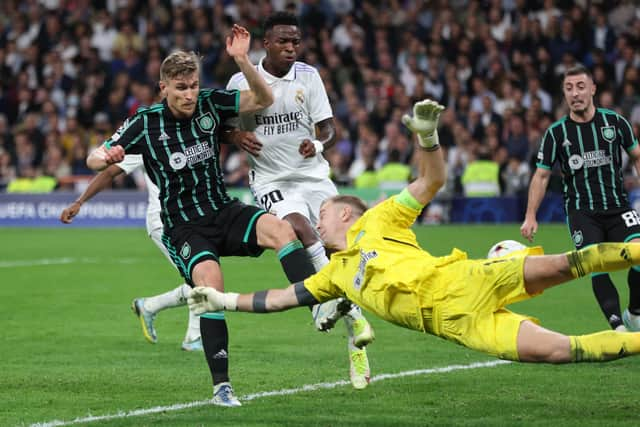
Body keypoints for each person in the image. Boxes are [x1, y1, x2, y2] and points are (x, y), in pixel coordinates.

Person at [189, 99, 640, 366]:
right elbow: (279, 299)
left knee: (569, 264)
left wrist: (428, 139)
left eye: (323, 211)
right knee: (566, 352)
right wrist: (224, 301)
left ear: (346, 215)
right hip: (461, 326)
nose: (316, 219)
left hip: (468, 279)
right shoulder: (335, 275)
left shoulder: (379, 220)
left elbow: (430, 183)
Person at [86, 26, 318, 407]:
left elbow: (263, 98)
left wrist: (242, 60)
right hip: (184, 227)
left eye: (193, 85)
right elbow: (95, 157)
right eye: (181, 88)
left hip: (222, 209)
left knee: (280, 228)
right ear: (164, 88)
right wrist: (104, 156)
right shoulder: (146, 122)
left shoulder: (211, 103)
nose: (190, 94)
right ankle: (221, 387)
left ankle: (317, 304)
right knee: (211, 287)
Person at [224, 12, 373, 389]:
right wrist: (237, 138)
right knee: (300, 228)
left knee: (342, 248)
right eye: (284, 42)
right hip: (272, 179)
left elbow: (329, 127)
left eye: (296, 42)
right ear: (267, 44)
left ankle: (353, 342)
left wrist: (319, 143)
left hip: (313, 175)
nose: (291, 48)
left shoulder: (309, 76)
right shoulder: (241, 81)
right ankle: (346, 311)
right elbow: (221, 125)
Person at [521, 64, 640, 332]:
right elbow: (541, 177)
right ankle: (617, 328)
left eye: (581, 87)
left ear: (593, 90)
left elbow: (637, 157)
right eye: (569, 88)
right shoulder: (556, 133)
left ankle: (634, 312)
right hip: (581, 212)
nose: (575, 93)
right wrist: (530, 216)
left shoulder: (616, 122)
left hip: (618, 207)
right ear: (564, 94)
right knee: (593, 262)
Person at [60, 155, 203, 351]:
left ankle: (149, 306)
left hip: (193, 220)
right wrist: (79, 202)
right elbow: (110, 172)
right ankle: (193, 338)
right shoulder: (145, 134)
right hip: (165, 223)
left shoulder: (192, 133)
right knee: (200, 276)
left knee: (202, 276)